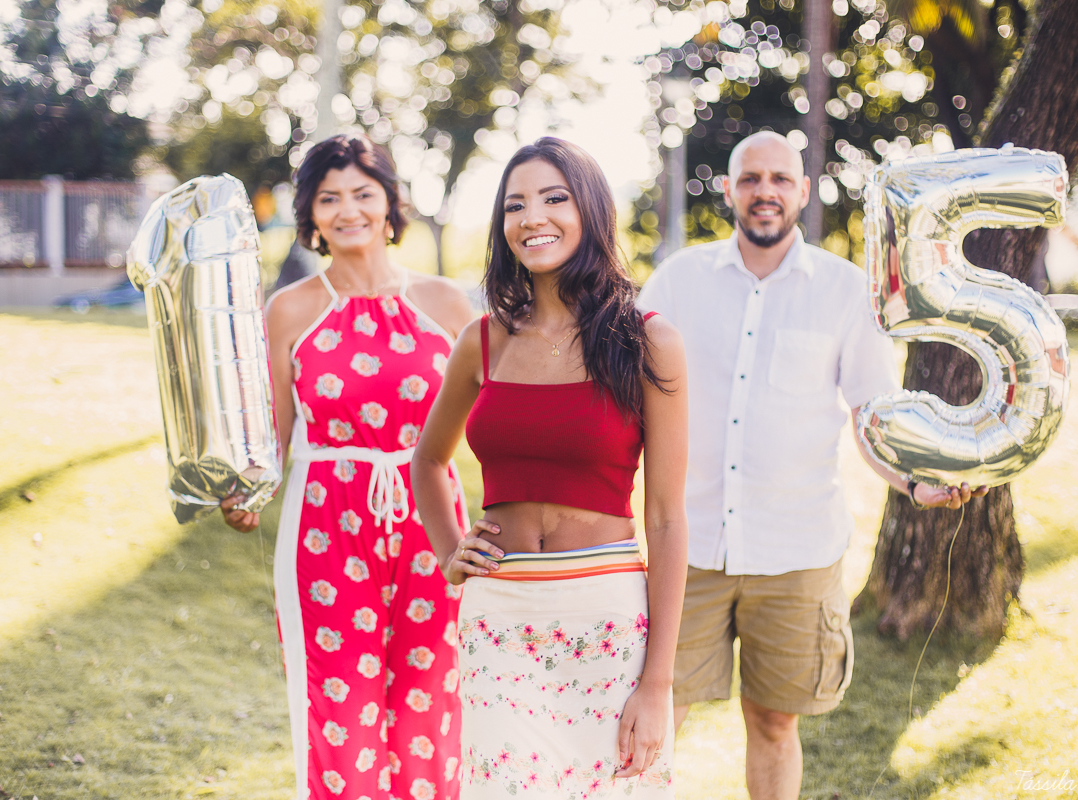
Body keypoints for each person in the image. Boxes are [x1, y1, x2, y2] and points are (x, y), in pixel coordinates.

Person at [636, 131, 986, 800]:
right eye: (750, 178)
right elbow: (620, 381)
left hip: (797, 553)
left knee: (772, 722)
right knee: (662, 720)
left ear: (801, 190)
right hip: (691, 549)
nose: (764, 190)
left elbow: (870, 413)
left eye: (779, 179)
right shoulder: (679, 280)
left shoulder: (844, 289)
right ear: (732, 190)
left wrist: (914, 480)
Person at [410, 137, 689, 799]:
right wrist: (451, 553)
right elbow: (426, 460)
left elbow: (671, 518)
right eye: (515, 205)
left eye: (554, 198)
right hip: (499, 616)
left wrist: (658, 683)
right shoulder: (483, 340)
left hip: (608, 620)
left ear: (590, 210)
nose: (533, 216)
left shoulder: (649, 341)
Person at [220, 134, 474, 800]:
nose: (348, 209)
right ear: (311, 215)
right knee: (342, 712)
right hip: (327, 529)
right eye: (329, 198)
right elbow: (271, 432)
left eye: (363, 193)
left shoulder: (447, 305)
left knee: (431, 707)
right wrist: (245, 489)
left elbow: (492, 427)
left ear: (390, 203)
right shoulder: (291, 310)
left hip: (434, 526)